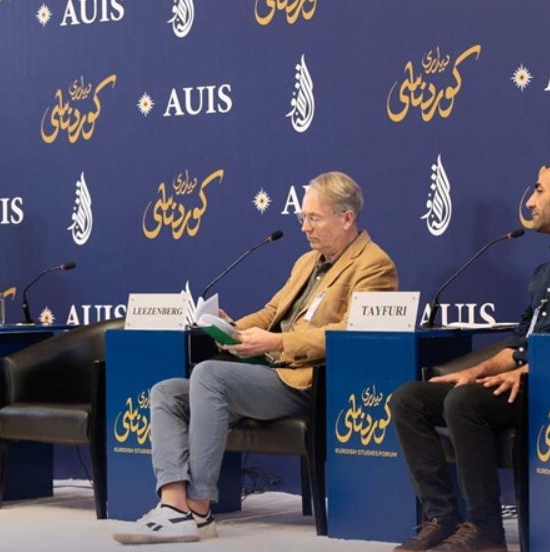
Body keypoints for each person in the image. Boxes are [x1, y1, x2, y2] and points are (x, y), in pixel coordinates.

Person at [113, 171, 398, 544]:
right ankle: (173, 505)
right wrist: (231, 328)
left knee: (209, 375)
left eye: (314, 218)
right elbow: (271, 312)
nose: (305, 227)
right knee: (166, 392)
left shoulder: (374, 265)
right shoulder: (307, 262)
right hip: (269, 374)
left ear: (347, 218)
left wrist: (276, 342)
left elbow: (352, 334)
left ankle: (198, 508)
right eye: (303, 218)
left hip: (310, 383)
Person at [389, 164, 550, 552]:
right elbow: (518, 344)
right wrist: (475, 370)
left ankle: (486, 530)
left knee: (464, 402)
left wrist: (529, 371)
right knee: (409, 399)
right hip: (523, 380)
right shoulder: (543, 273)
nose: (529, 203)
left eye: (540, 191)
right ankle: (442, 518)